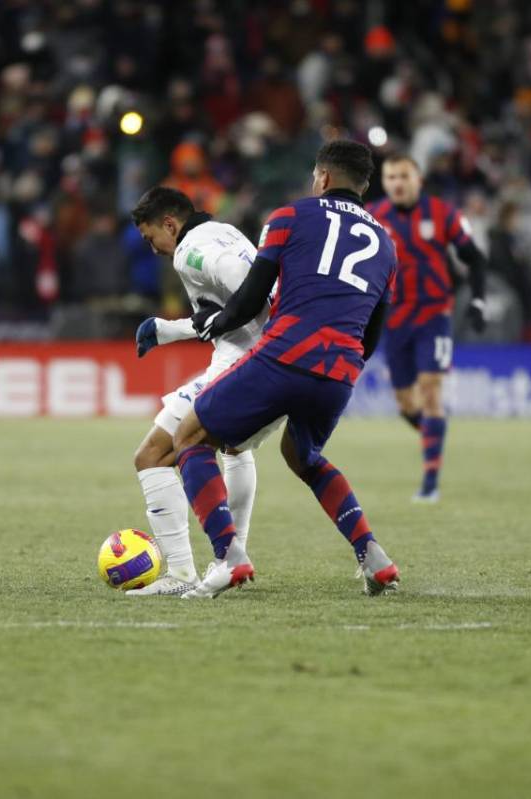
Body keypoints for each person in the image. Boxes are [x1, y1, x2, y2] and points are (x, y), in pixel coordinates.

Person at [172, 139, 401, 599]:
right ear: (364, 185)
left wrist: (217, 322)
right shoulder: (386, 245)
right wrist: (342, 368)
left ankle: (228, 556)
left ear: (323, 177)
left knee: (190, 437)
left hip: (285, 355)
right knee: (303, 457)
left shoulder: (289, 216)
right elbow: (373, 333)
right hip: (340, 371)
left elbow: (251, 297)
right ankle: (373, 556)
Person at [126, 187, 273, 596]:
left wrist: (226, 322)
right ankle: (232, 558)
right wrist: (169, 329)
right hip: (269, 364)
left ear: (169, 224)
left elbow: (247, 288)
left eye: (151, 237)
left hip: (239, 366)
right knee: (235, 448)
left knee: (152, 455)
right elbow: (228, 308)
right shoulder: (227, 232)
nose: (153, 248)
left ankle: (187, 572)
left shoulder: (190, 250)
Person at [366, 154, 488, 503]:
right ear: (384, 182)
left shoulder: (443, 214)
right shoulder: (373, 217)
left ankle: (430, 483)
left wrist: (479, 301)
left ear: (418, 179)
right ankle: (436, 433)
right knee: (406, 403)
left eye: (404, 176)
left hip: (434, 314)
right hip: (395, 318)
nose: (397, 183)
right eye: (391, 177)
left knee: (431, 390)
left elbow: (475, 258)